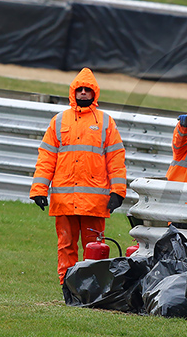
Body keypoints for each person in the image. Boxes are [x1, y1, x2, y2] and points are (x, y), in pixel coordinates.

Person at [30, 67, 127, 286]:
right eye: (80, 89)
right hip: (65, 200)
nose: (83, 92)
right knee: (66, 246)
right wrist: (39, 190)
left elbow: (116, 160)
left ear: (95, 93)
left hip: (94, 202)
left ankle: (90, 288)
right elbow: (46, 158)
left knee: (94, 247)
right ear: (73, 92)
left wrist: (118, 193)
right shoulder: (59, 121)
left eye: (88, 89)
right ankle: (67, 286)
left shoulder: (106, 122)